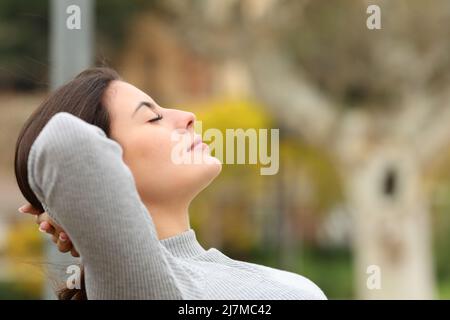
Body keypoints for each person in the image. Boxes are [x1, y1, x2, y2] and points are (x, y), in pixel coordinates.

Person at [15, 67, 326, 300]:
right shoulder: (139, 287)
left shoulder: (271, 281)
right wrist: (65, 210)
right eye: (153, 118)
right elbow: (64, 142)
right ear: (106, 160)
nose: (187, 116)